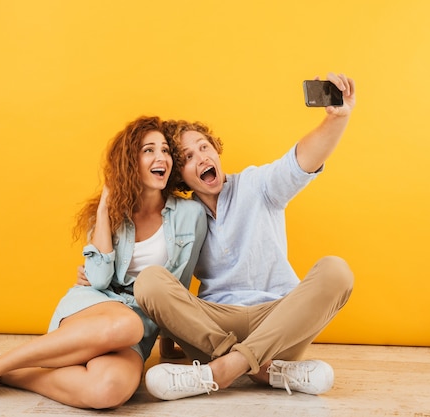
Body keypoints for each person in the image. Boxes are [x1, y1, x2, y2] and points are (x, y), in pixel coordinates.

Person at [0, 116, 207, 409]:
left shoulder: (190, 215)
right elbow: (100, 281)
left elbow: (175, 289)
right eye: (149, 150)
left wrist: (167, 343)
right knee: (126, 325)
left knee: (108, 391)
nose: (161, 158)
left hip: (139, 324)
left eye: (166, 150)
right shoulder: (110, 214)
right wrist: (105, 207)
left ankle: (9, 372)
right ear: (130, 162)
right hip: (95, 306)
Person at [135, 73, 356, 400]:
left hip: (278, 322)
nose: (202, 158)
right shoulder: (179, 216)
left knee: (337, 271)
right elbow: (168, 282)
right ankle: (266, 371)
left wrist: (336, 119)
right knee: (148, 280)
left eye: (204, 147)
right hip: (215, 328)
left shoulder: (258, 186)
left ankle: (224, 369)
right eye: (189, 158)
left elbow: (301, 161)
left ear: (216, 150)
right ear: (179, 175)